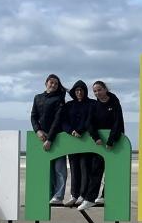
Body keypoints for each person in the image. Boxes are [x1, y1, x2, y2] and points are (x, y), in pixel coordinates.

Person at [48, 80, 98, 208]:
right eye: (77, 90)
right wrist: (71, 131)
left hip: (86, 141)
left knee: (85, 168)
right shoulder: (68, 105)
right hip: (71, 141)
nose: (79, 92)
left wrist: (80, 130)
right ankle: (74, 195)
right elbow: (62, 121)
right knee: (74, 169)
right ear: (74, 92)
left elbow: (91, 120)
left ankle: (83, 195)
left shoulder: (92, 104)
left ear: (85, 92)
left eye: (81, 90)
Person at [83, 80, 125, 210]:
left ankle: (105, 195)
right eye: (95, 91)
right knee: (96, 170)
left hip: (115, 141)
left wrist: (111, 141)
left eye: (99, 89)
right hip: (100, 143)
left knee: (112, 171)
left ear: (105, 89)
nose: (97, 93)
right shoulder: (94, 106)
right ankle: (90, 199)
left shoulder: (114, 102)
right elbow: (89, 123)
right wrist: (96, 138)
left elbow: (118, 122)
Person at [31, 74, 68, 206]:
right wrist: (38, 131)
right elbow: (33, 116)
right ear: (46, 83)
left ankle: (59, 196)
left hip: (57, 137)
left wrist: (50, 139)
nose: (53, 85)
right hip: (41, 137)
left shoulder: (59, 99)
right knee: (47, 170)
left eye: (56, 84)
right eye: (51, 82)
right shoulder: (37, 97)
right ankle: (49, 194)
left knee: (59, 168)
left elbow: (58, 120)